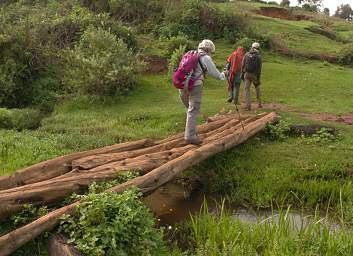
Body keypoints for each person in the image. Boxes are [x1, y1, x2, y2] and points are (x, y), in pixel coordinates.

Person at [179, 39, 227, 145]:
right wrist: (224, 74)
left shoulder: (190, 54)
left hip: (182, 85)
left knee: (190, 109)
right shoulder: (205, 58)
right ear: (209, 49)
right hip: (195, 86)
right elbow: (217, 75)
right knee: (193, 110)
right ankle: (190, 136)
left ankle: (191, 131)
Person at [241, 42, 262, 111]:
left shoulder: (246, 54)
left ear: (252, 47)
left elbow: (242, 64)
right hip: (254, 75)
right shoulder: (259, 56)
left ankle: (248, 106)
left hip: (246, 74)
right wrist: (258, 78)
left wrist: (243, 73)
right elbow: (259, 68)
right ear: (258, 48)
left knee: (247, 89)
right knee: (257, 87)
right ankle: (259, 103)